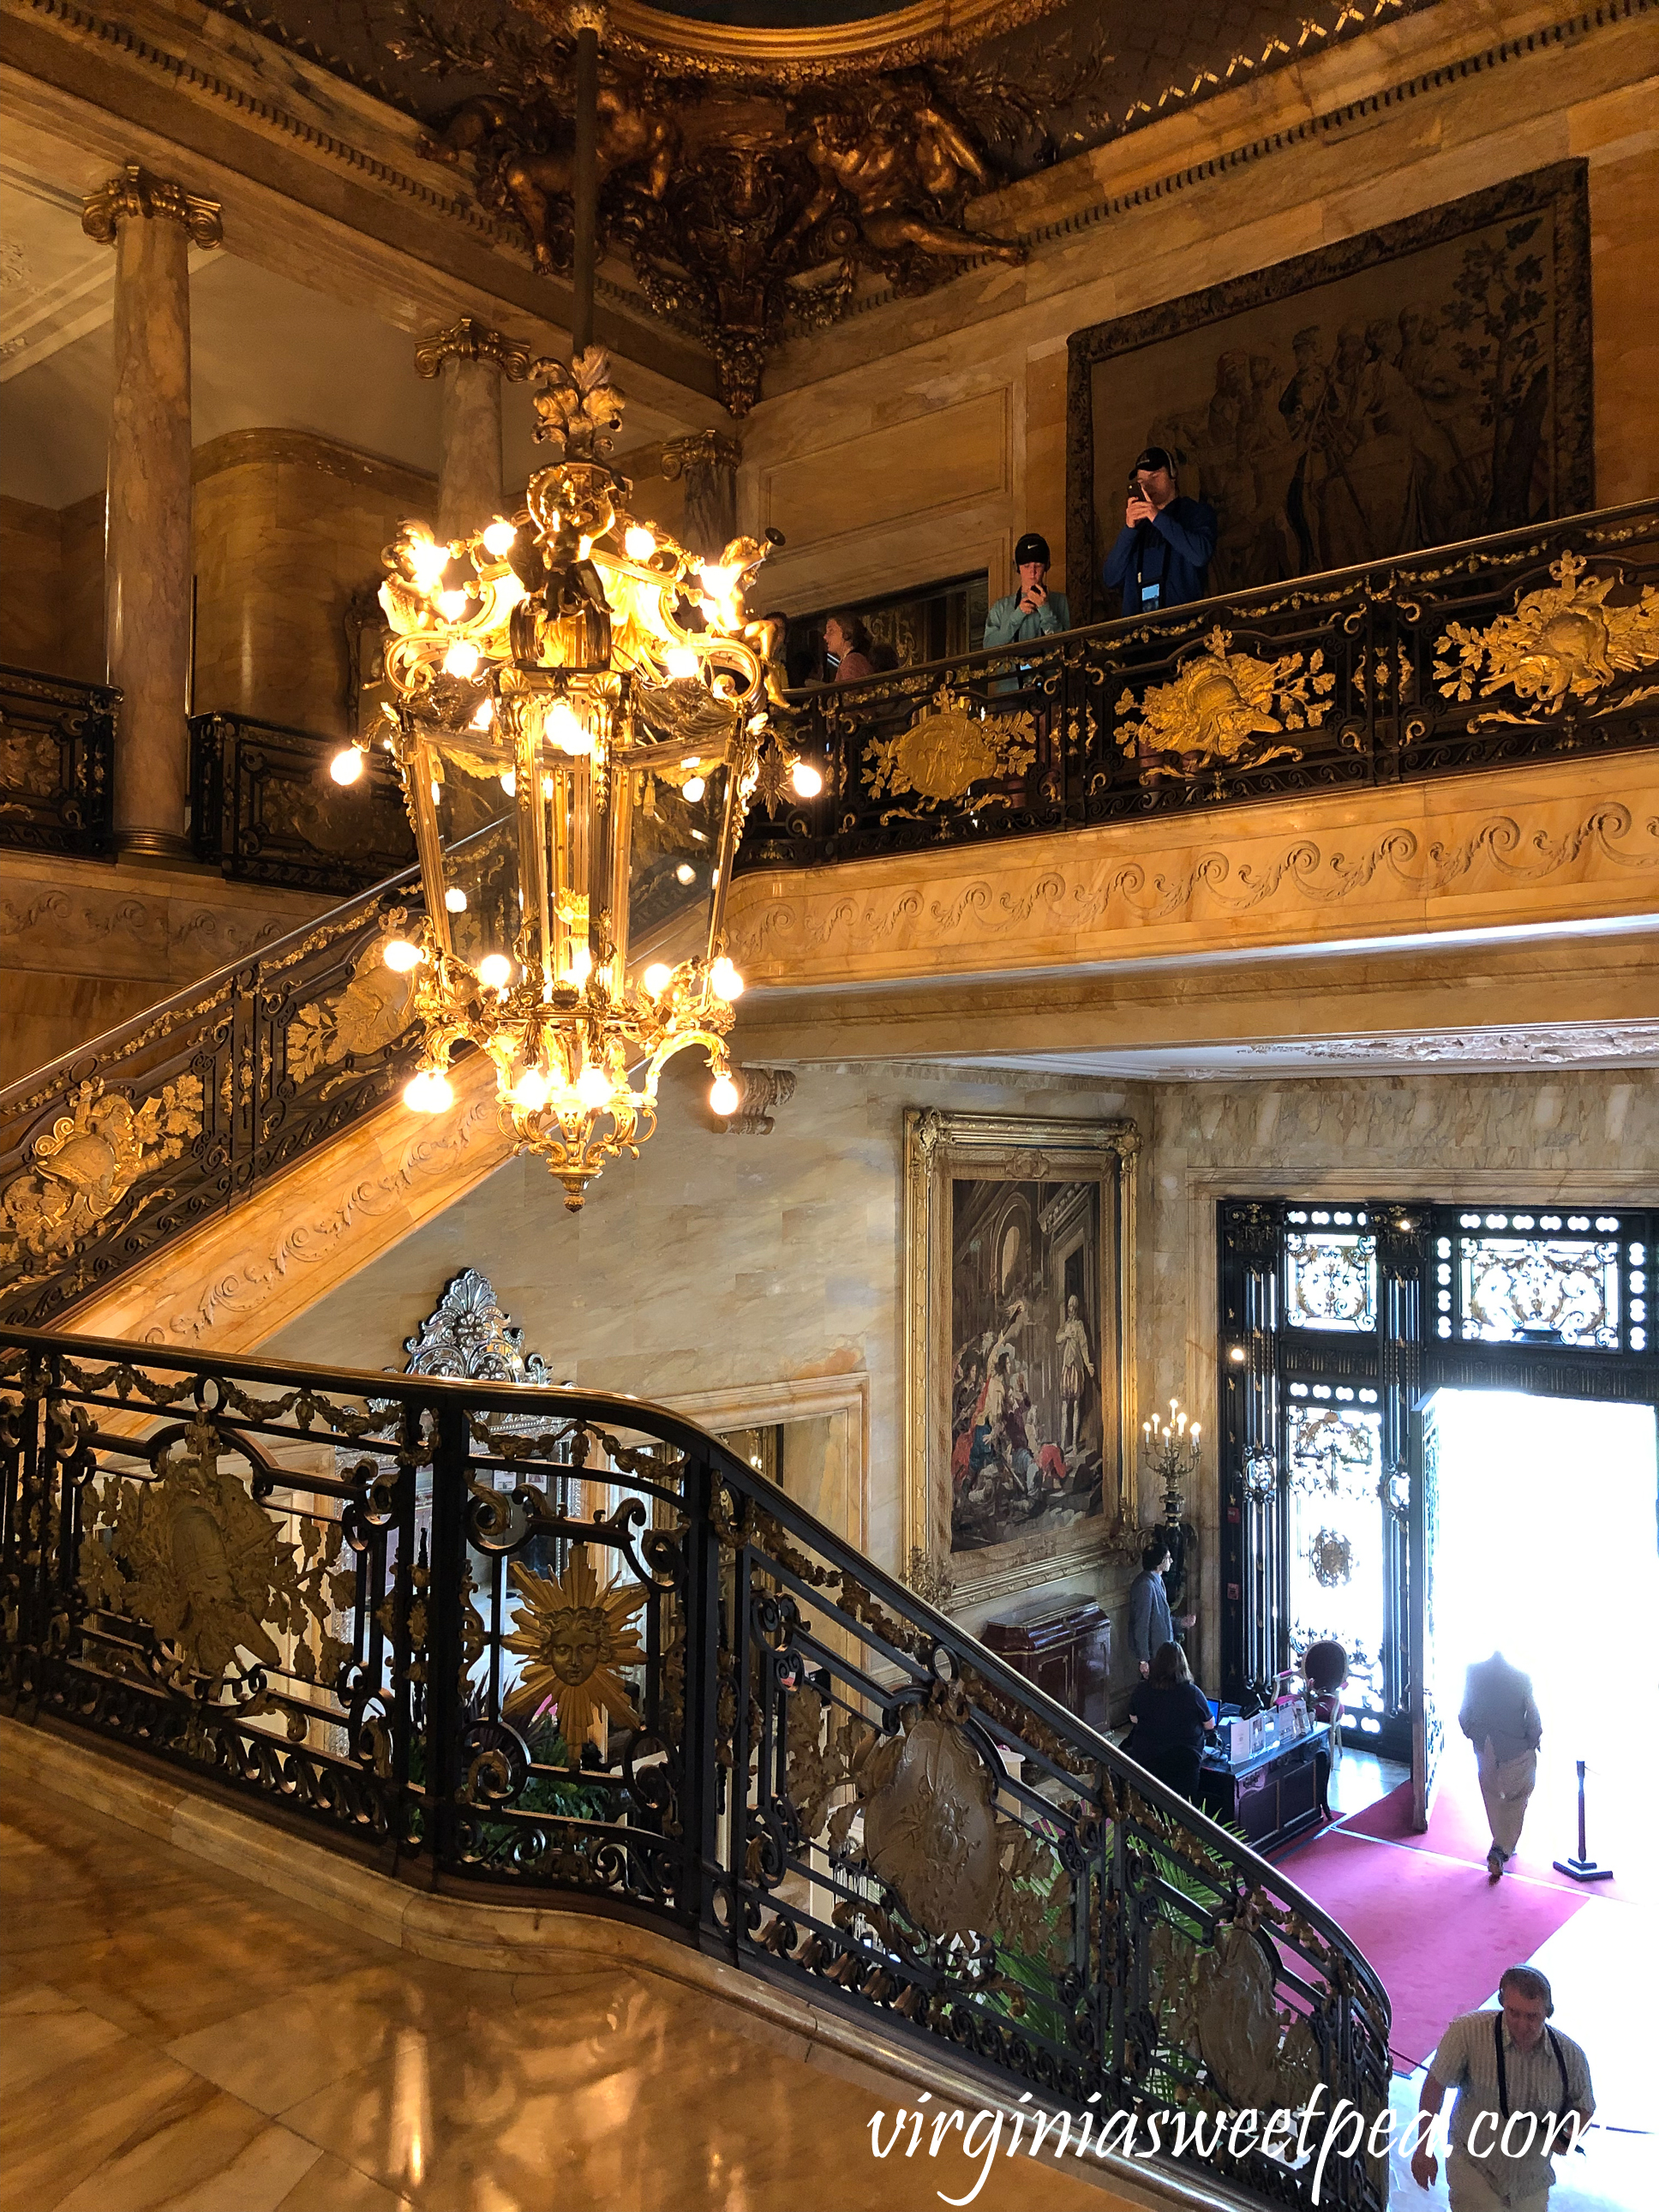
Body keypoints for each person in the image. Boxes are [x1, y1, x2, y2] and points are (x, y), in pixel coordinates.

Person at [1411, 1966, 1594, 2212]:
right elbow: (1435, 2085)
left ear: (1547, 2013)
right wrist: (1423, 2148)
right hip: (1473, 2166)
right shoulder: (1467, 2032)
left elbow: (1585, 2106)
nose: (1521, 2024)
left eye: (1532, 2017)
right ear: (1502, 2003)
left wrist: (1568, 2137)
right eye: (1513, 2013)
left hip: (1532, 2181)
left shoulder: (1570, 2056)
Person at [1103, 446, 1218, 614]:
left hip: (1183, 630)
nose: (1148, 486)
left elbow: (1200, 555)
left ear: (1173, 475)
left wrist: (1156, 516)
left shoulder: (1195, 512)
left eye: (1155, 476)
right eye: (1141, 482)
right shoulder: (1136, 527)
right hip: (1138, 635)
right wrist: (1128, 529)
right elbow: (1110, 578)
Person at [1460, 1649, 1543, 1880]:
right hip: (1515, 1747)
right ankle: (1501, 1849)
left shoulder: (1473, 1673)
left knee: (1492, 1796)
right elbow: (1533, 1717)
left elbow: (1464, 1712)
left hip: (1485, 1746)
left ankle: (1500, 1841)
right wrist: (1533, 1741)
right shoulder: (1522, 1679)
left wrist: (1472, 1734)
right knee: (1517, 1799)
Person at [1125, 1640, 1215, 1799]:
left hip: (1147, 1759)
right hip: (1184, 1764)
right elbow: (1210, 1724)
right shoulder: (1192, 1693)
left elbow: (1134, 1719)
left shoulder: (1141, 1689)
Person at [984, 532, 1071, 649]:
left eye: (1038, 565)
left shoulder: (1060, 601)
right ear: (1017, 568)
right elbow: (989, 646)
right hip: (1011, 667)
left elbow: (1066, 645)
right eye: (1026, 566)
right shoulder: (1001, 607)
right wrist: (1017, 615)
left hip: (1049, 667)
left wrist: (1044, 608)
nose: (1032, 571)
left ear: (1046, 566)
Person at [1127, 1538, 1196, 1678]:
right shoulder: (1145, 1586)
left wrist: (1181, 1622)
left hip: (1163, 1652)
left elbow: (1161, 1618)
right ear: (1159, 1562)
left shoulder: (1156, 1581)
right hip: (1155, 1656)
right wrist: (1144, 1659)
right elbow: (1142, 1624)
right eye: (1168, 1558)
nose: (1171, 1561)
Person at [823, 611, 872, 683]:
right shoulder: (850, 659)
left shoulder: (852, 660)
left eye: (831, 631)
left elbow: (851, 692)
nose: (825, 636)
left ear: (846, 633)